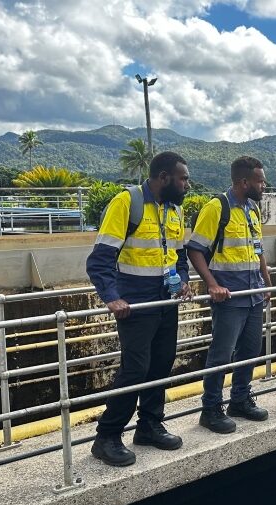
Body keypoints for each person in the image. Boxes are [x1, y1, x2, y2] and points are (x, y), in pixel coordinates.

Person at [86, 151, 192, 467]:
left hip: (166, 303)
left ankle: (148, 425)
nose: (187, 185)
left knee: (161, 363)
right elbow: (99, 260)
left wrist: (184, 279)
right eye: (183, 178)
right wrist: (111, 297)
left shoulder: (175, 210)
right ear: (164, 177)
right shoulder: (127, 203)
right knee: (136, 368)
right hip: (136, 306)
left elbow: (180, 256)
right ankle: (106, 436)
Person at [187, 156, 272, 433]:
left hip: (253, 293)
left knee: (249, 350)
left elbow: (256, 249)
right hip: (230, 298)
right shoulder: (217, 208)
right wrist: (212, 284)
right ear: (243, 182)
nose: (263, 185)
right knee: (221, 354)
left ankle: (240, 399)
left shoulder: (252, 210)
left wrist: (266, 281)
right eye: (259, 181)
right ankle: (210, 409)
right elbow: (195, 249)